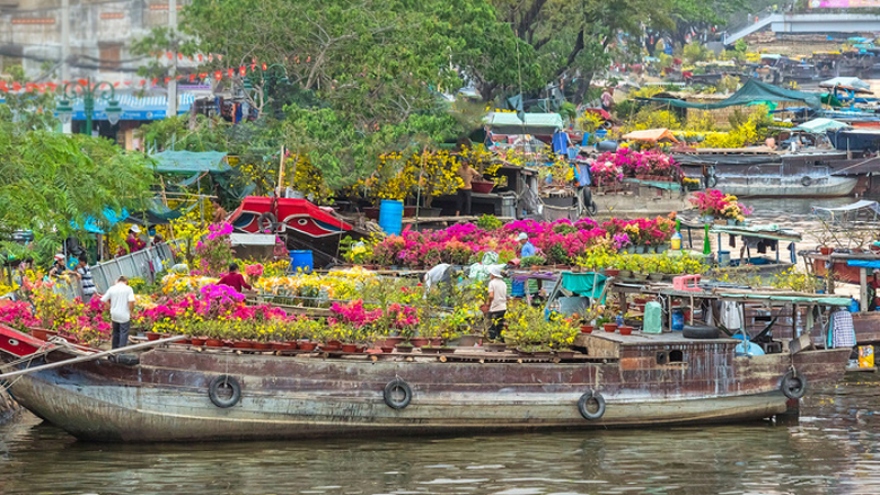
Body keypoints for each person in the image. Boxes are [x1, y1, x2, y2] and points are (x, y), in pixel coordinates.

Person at [101, 276, 135, 349]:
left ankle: (114, 349)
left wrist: (110, 306)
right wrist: (131, 312)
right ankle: (121, 351)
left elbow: (103, 299)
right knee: (124, 333)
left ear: (118, 281)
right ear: (126, 281)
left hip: (114, 314)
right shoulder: (128, 289)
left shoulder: (112, 288)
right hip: (124, 314)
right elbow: (131, 301)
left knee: (115, 332)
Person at [485, 265, 508, 341]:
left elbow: (491, 296)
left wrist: (488, 303)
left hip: (495, 308)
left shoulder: (492, 283)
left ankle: (493, 342)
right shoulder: (503, 283)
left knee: (491, 327)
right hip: (503, 308)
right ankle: (501, 343)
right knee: (500, 327)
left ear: (493, 274)